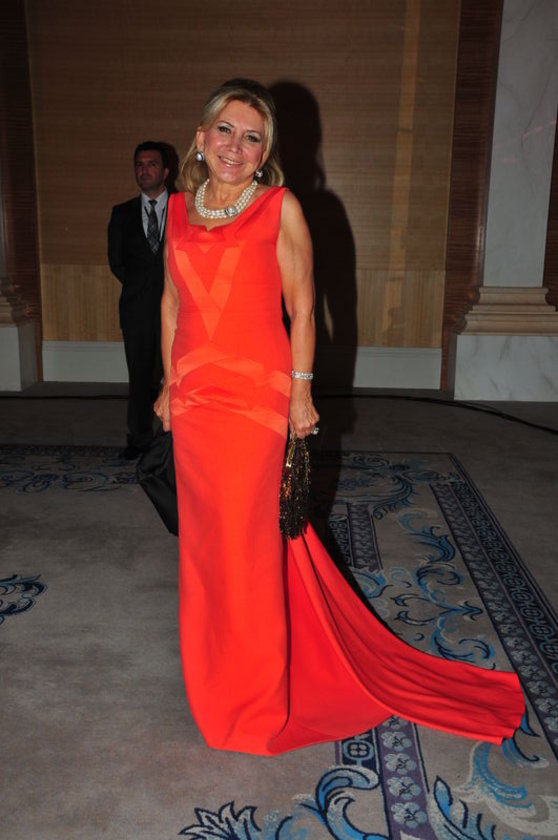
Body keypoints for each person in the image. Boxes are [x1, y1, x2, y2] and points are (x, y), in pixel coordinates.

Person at [154, 79, 524, 756]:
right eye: (225, 130)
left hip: (255, 400)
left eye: (252, 137)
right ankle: (214, 679)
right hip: (196, 400)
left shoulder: (280, 208)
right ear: (201, 138)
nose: (236, 146)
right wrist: (168, 383)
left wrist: (300, 393)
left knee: (247, 548)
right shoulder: (178, 209)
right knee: (206, 548)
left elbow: (304, 308)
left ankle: (256, 701)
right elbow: (172, 303)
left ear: (266, 152)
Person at [108, 141, 170, 460]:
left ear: (166, 171)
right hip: (137, 309)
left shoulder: (185, 209)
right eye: (139, 164)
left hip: (180, 309)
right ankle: (139, 438)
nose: (144, 170)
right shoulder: (122, 214)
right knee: (140, 375)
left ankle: (176, 438)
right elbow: (116, 263)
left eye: (152, 164)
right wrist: (142, 289)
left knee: (179, 375)